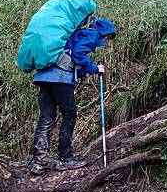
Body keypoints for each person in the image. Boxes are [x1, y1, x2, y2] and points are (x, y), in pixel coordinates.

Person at [29, 17, 116, 175]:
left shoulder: (74, 34)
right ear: (105, 32)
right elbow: (78, 55)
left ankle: (39, 162)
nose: (107, 40)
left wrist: (86, 71)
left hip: (44, 76)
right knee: (69, 115)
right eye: (109, 36)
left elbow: (72, 58)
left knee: (46, 118)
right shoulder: (91, 34)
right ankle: (65, 158)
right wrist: (96, 68)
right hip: (60, 78)